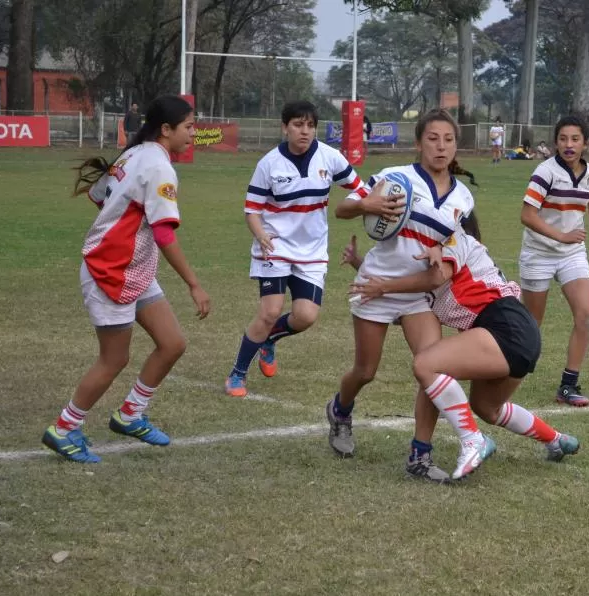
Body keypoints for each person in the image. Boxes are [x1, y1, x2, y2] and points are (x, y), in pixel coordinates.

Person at [344, 215, 581, 483]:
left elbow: (435, 279)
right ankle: (556, 440)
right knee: (486, 407)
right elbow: (408, 286)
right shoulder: (432, 258)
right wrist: (359, 263)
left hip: (506, 328)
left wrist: (386, 283)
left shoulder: (456, 240)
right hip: (512, 333)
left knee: (426, 364)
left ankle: (472, 440)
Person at [327, 109, 495, 480]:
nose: (441, 146)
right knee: (366, 371)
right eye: (433, 139)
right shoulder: (394, 177)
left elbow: (469, 247)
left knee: (433, 370)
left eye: (448, 140)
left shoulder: (463, 198)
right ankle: (340, 410)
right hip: (374, 287)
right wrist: (364, 205)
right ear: (418, 143)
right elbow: (341, 209)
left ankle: (419, 456)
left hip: (420, 295)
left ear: (456, 146)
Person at [42, 95, 211, 463]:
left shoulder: (133, 154)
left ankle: (130, 414)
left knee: (172, 343)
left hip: (133, 268)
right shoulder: (158, 167)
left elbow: (100, 195)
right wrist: (194, 284)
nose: (193, 134)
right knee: (114, 359)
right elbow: (165, 235)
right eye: (189, 127)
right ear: (166, 130)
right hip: (111, 271)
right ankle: (64, 427)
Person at [224, 101, 365, 397]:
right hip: (273, 246)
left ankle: (269, 340)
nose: (305, 131)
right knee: (269, 311)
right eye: (298, 125)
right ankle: (237, 373)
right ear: (285, 127)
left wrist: (364, 205)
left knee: (306, 316)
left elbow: (360, 189)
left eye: (310, 125)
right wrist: (261, 235)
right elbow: (252, 210)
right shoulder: (269, 164)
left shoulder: (330, 157)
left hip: (312, 251)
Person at [518, 113, 589, 407]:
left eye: (575, 139)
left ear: (586, 143)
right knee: (531, 325)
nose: (568, 144)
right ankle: (504, 373)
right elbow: (527, 215)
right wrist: (560, 236)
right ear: (555, 143)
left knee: (586, 314)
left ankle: (568, 385)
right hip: (539, 253)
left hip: (572, 253)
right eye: (562, 139)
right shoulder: (545, 172)